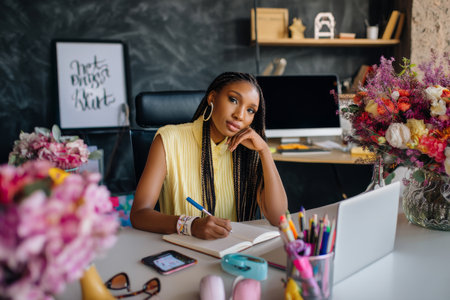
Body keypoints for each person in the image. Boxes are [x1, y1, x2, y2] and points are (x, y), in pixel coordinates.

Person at [131, 72, 287, 240]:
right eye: (233, 100)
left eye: (250, 110)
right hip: (185, 252)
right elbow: (139, 214)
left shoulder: (249, 151)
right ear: (212, 98)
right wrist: (191, 225)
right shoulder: (169, 139)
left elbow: (278, 218)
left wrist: (264, 151)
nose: (240, 115)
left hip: (236, 253)